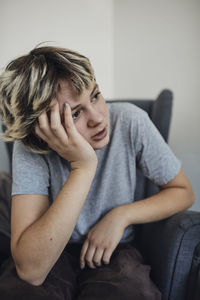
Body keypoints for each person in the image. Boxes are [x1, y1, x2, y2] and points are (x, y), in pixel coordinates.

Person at [0, 45, 194, 300]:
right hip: (52, 252)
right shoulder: (31, 149)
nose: (98, 118)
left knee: (129, 292)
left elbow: (183, 192)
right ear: (44, 129)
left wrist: (121, 216)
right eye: (76, 113)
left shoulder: (130, 121)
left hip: (115, 249)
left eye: (95, 95)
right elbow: (32, 271)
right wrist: (83, 167)